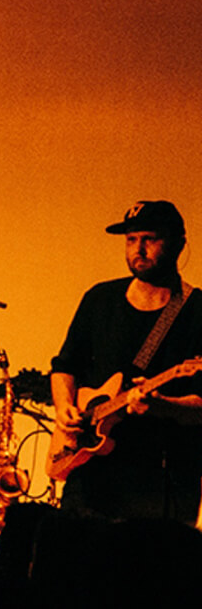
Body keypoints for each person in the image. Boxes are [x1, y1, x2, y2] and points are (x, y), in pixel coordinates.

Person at [51, 200, 202, 523]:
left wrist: (164, 406)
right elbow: (65, 366)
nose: (139, 249)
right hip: (90, 468)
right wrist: (65, 408)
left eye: (150, 238)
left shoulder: (196, 310)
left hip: (161, 476)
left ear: (179, 243)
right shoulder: (99, 299)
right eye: (131, 240)